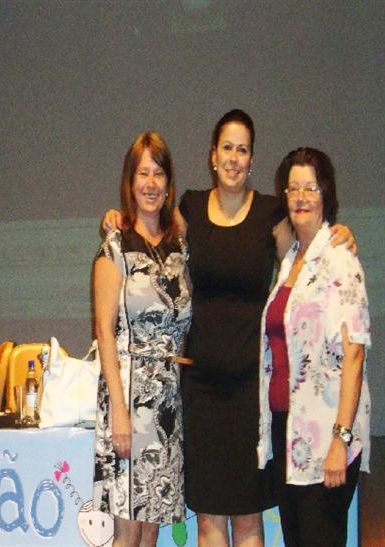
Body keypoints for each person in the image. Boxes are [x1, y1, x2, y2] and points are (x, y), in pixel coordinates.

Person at [101, 110, 356, 546]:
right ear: (212, 156)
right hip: (199, 392)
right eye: (227, 148)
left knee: (249, 519)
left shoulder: (271, 215)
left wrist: (341, 232)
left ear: (251, 159)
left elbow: (306, 250)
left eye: (243, 149)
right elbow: (153, 228)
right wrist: (117, 217)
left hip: (252, 392)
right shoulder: (191, 210)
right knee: (208, 519)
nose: (234, 157)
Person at [257, 147, 370, 547]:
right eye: (294, 189)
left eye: (311, 187)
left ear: (326, 194)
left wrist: (339, 439)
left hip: (326, 437)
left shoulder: (340, 258)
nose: (302, 197)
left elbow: (354, 354)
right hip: (288, 433)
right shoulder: (291, 259)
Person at [93, 131, 192, 547]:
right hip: (128, 401)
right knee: (128, 533)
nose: (150, 183)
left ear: (169, 184)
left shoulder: (178, 245)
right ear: (129, 182)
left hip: (167, 404)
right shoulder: (116, 244)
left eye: (159, 173)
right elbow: (103, 329)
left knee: (150, 529)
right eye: (142, 173)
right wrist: (119, 412)